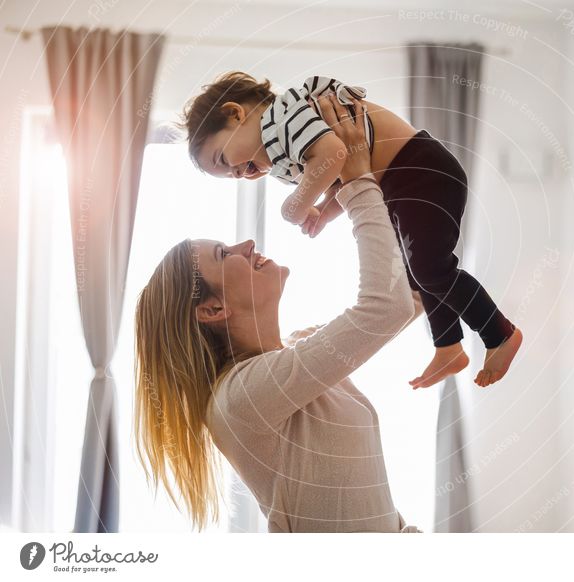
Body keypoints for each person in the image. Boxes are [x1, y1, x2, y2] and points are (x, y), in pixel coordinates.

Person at [134, 96, 422, 532]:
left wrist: (378, 180)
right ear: (212, 308)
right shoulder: (240, 397)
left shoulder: (300, 353)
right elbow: (387, 308)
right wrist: (357, 178)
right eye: (223, 253)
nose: (246, 244)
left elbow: (413, 296)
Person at [180, 72, 523, 388]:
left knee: (430, 268)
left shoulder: (282, 115)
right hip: (397, 185)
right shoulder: (281, 157)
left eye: (226, 160)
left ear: (235, 114)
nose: (240, 173)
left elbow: (334, 152)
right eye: (232, 176)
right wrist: (325, 213)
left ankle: (498, 333)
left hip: (420, 168)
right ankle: (448, 345)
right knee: (418, 274)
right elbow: (341, 174)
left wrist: (295, 207)